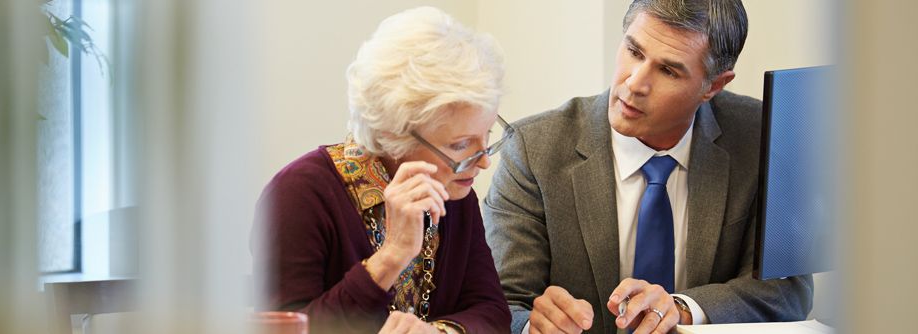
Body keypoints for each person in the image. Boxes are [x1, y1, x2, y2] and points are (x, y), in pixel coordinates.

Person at [483, 1, 813, 333]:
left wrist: (682, 309)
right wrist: (533, 327)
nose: (634, 84)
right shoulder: (533, 150)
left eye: (668, 70)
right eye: (634, 52)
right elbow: (499, 303)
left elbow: (787, 292)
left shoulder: (762, 137)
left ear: (713, 86)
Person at [254, 7, 512, 334]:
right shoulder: (299, 195)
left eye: (487, 137)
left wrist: (440, 333)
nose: (484, 161)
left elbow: (491, 311)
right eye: (460, 146)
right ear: (393, 135)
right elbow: (285, 328)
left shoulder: (455, 191)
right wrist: (390, 258)